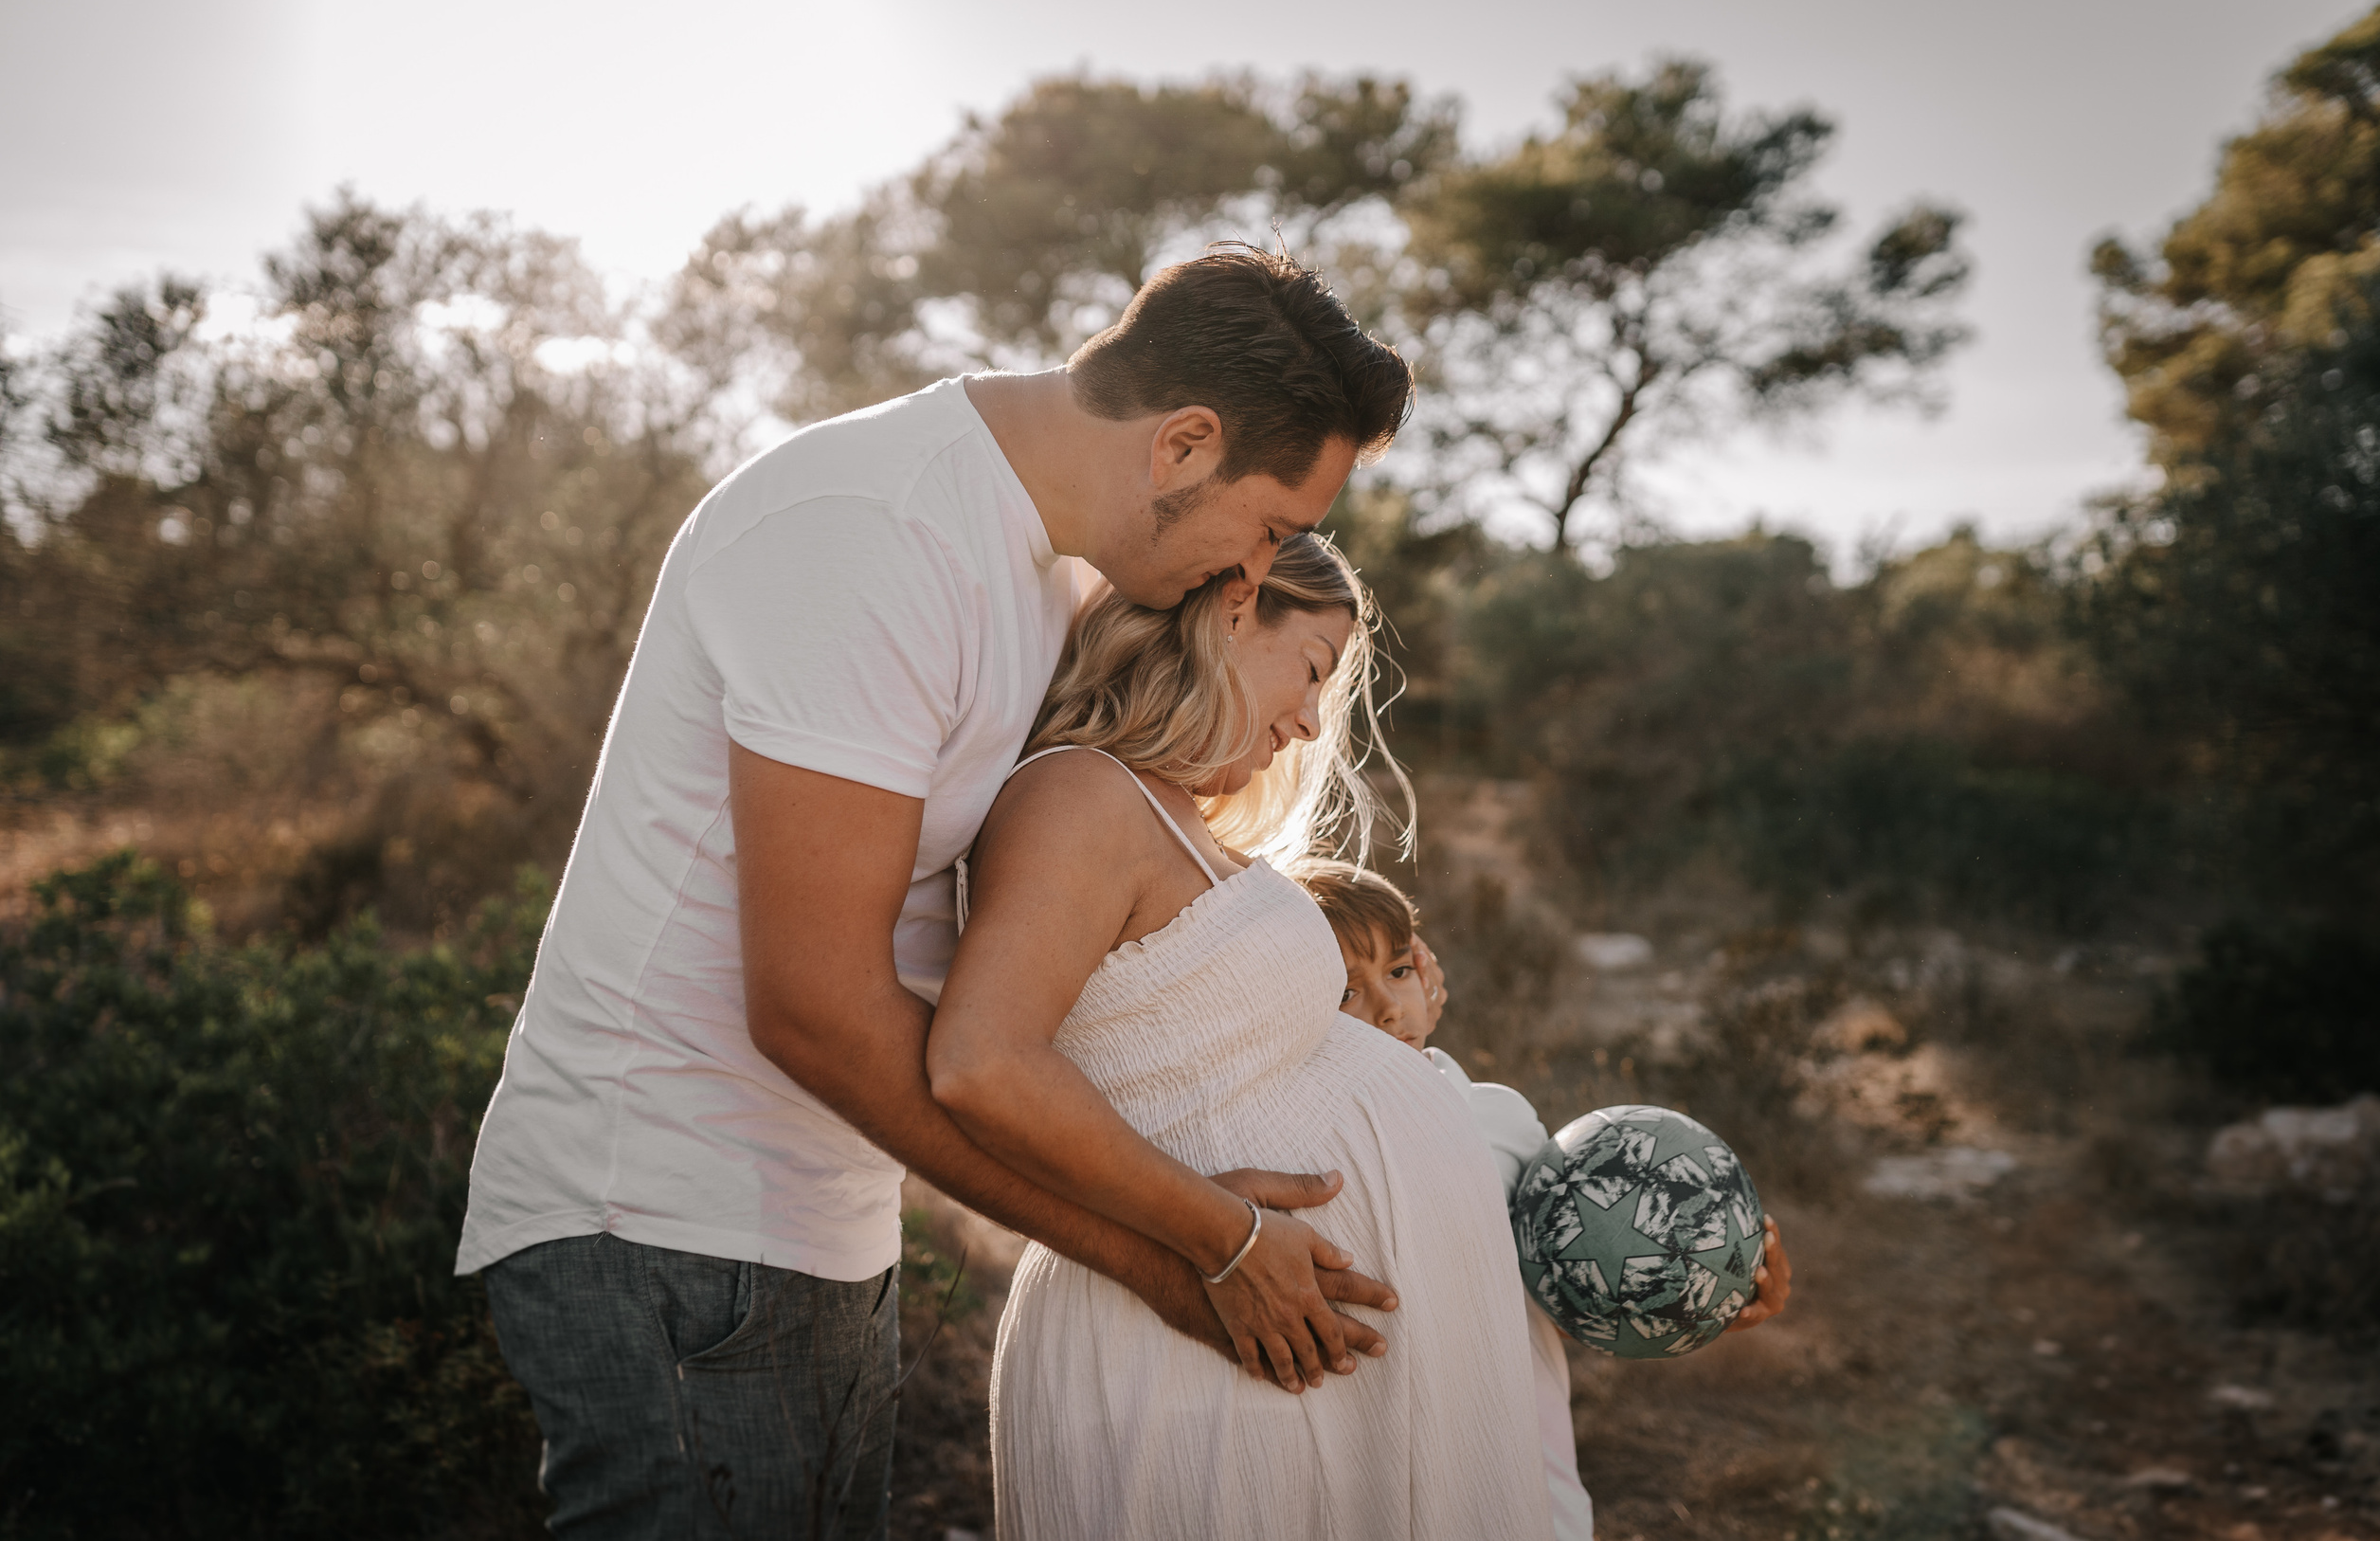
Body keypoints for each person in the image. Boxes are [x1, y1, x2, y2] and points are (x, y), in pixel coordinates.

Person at [453, 246, 1414, 1538]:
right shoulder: (870, 531)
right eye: (1275, 526)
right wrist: (1191, 1252)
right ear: (1184, 444)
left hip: (823, 1215)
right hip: (668, 1216)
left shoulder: (1053, 566)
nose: (1257, 571)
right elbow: (811, 1006)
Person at [928, 535, 1560, 1539]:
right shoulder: (1080, 793)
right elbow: (981, 1063)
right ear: (1233, 610)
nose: (1311, 719)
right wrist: (1232, 1242)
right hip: (1193, 1346)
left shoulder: (1172, 819)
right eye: (1310, 669)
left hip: (1271, 1342)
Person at [1289, 857, 1797, 1541]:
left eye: (1399, 970)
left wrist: (1694, 1292)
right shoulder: (1298, 1150)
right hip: (1371, 1464)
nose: (1386, 1006)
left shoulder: (1498, 1120)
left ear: (1428, 973)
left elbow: (1551, 1291)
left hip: (1518, 1443)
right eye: (1346, 989)